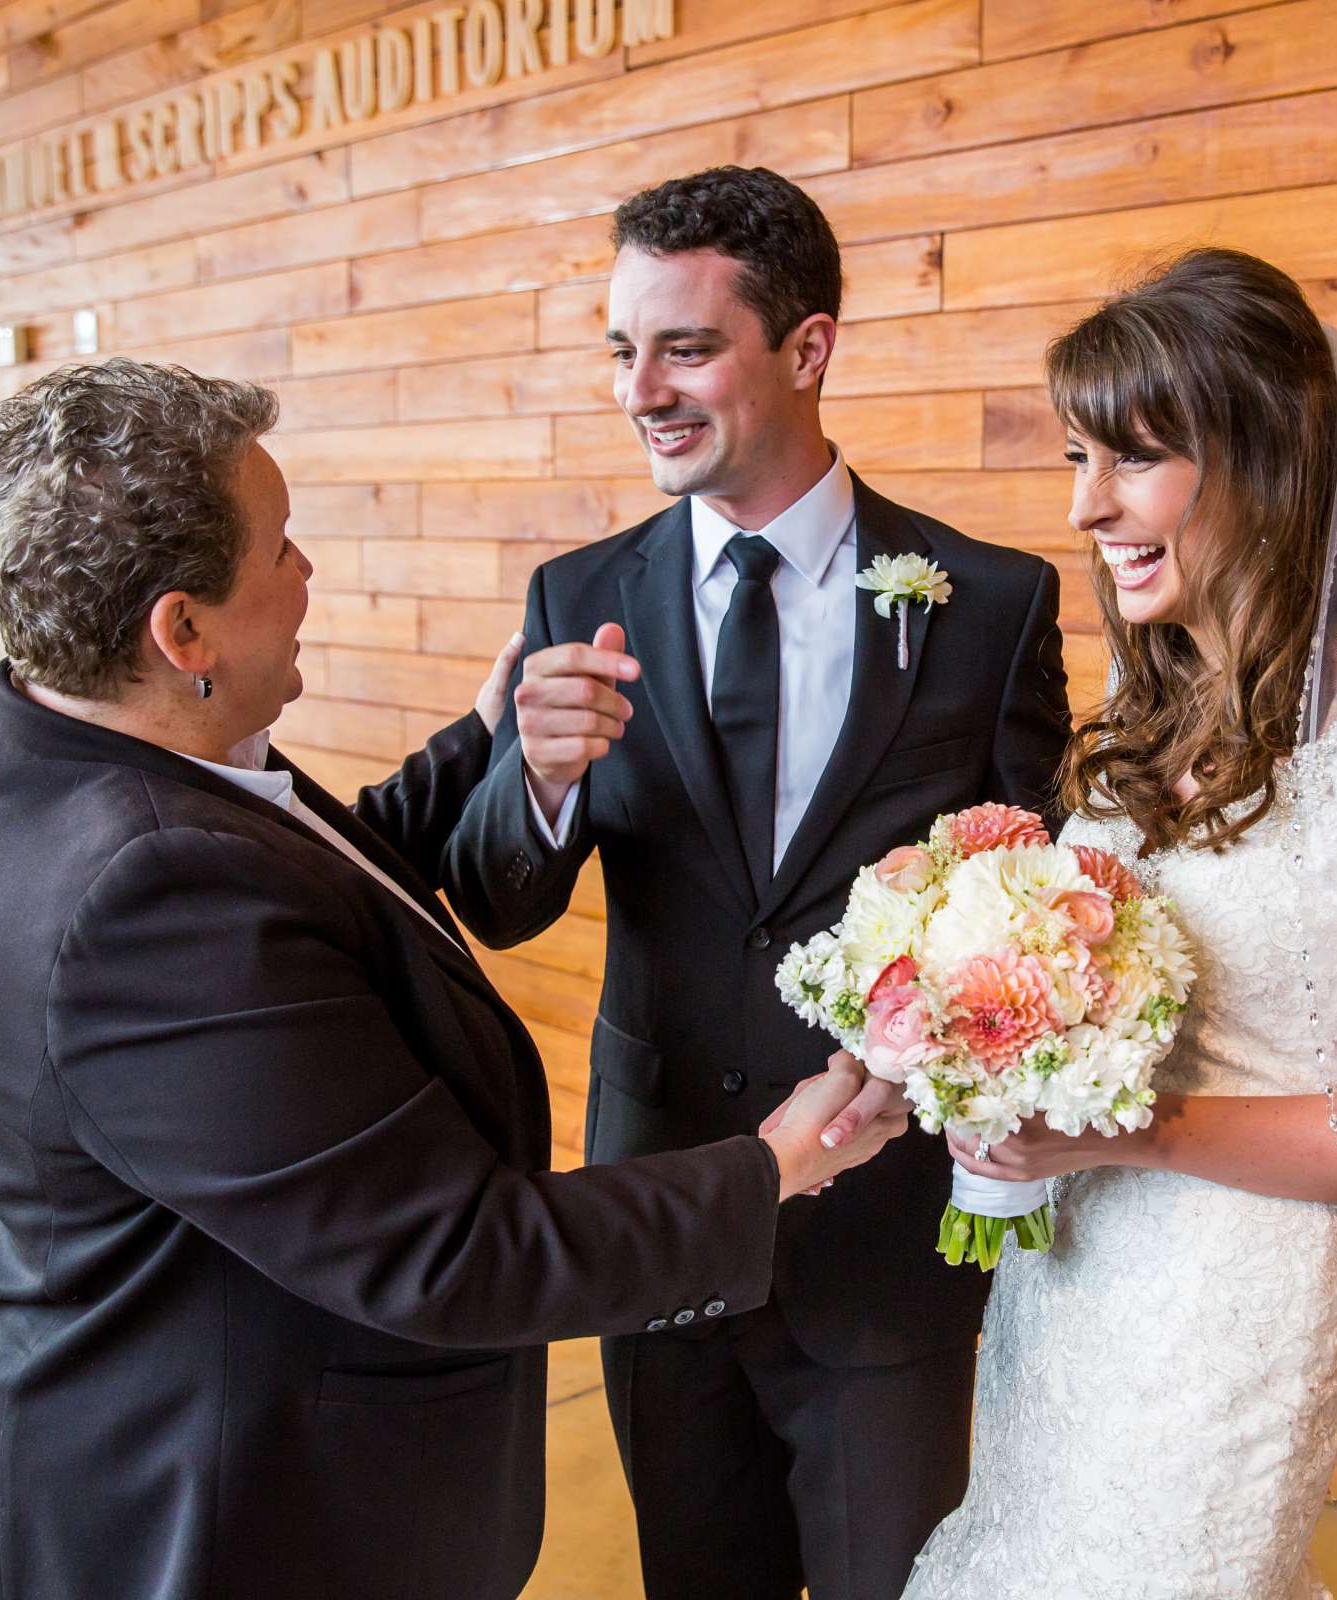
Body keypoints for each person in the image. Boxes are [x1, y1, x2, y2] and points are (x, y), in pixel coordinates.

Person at [0, 357, 907, 1600]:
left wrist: (492, 733)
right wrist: (779, 1165)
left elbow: (325, 877)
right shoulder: (151, 890)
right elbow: (460, 1252)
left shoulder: (48, 747)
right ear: (182, 632)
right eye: (280, 548)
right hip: (223, 1513)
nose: (306, 575)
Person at [439, 166, 1070, 1598]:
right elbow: (500, 899)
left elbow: (1031, 906)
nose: (640, 389)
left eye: (684, 346)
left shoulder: (988, 603)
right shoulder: (574, 594)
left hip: (889, 1243)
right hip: (662, 1216)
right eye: (620, 349)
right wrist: (532, 782)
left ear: (808, 348)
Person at [902, 250, 1337, 1597]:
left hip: (1225, 1320)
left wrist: (1138, 1130)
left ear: (1262, 457)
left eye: (1130, 461)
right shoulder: (1156, 708)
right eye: (1077, 460)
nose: (1086, 508)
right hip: (1070, 1289)